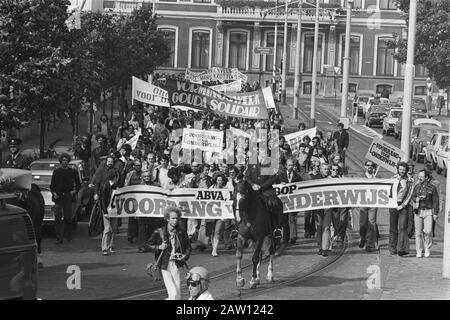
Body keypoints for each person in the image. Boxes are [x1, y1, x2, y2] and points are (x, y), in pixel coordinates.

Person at [152, 206, 191, 300]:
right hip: (164, 264)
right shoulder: (159, 231)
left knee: (177, 295)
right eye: (173, 218)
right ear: (167, 219)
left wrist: (184, 256)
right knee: (173, 293)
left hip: (176, 264)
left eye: (177, 218)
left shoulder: (181, 232)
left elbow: (188, 247)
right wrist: (158, 247)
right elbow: (147, 245)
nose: (175, 220)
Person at [50, 153, 81, 244]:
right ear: (61, 161)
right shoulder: (56, 172)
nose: (65, 162)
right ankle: (59, 237)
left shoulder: (72, 171)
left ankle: (68, 236)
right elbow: (52, 185)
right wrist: (54, 193)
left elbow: (78, 184)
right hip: (58, 197)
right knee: (58, 217)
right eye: (63, 160)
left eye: (66, 161)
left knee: (68, 218)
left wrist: (74, 191)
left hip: (68, 196)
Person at [412, 169, 439, 258]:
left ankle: (427, 248)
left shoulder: (432, 187)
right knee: (418, 233)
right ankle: (419, 251)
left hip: (428, 212)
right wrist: (417, 199)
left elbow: (435, 201)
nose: (419, 178)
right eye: (418, 176)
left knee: (428, 231)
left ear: (426, 177)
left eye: (421, 176)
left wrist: (435, 213)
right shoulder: (416, 187)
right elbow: (413, 197)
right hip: (418, 211)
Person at [389, 161, 414, 256]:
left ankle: (401, 249)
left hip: (404, 206)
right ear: (398, 170)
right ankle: (392, 248)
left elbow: (410, 194)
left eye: (404, 170)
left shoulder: (410, 180)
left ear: (406, 170)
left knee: (402, 227)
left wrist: (402, 205)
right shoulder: (393, 179)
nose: (402, 171)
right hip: (393, 205)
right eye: (400, 170)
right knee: (393, 227)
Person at [278, 158, 302, 245]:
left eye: (291, 165)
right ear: (285, 166)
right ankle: (285, 237)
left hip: (293, 200)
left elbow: (301, 187)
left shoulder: (297, 177)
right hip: (284, 200)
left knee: (292, 218)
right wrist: (280, 184)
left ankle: (293, 237)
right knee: (284, 219)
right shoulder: (280, 176)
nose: (290, 167)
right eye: (288, 165)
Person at [357, 161, 379, 252]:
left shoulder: (377, 178)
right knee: (363, 224)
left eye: (371, 166)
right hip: (363, 203)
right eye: (368, 165)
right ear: (365, 166)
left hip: (373, 204)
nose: (370, 167)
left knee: (371, 223)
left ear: (374, 168)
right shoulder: (360, 177)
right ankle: (363, 237)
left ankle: (369, 243)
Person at [100, 170, 119, 256]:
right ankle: (104, 248)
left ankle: (111, 246)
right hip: (107, 210)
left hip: (114, 211)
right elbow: (103, 199)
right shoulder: (105, 186)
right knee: (107, 229)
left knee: (114, 229)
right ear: (115, 177)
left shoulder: (116, 186)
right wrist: (104, 211)